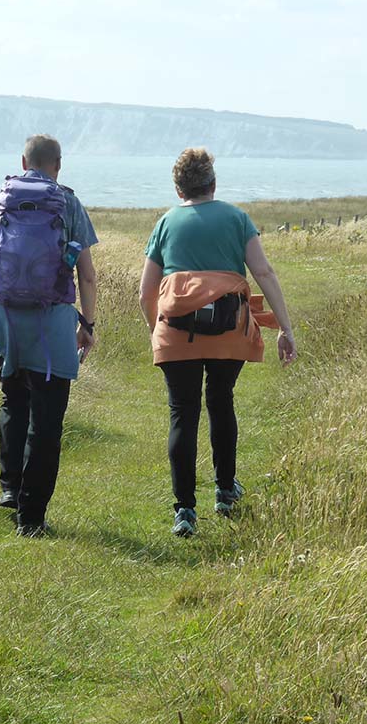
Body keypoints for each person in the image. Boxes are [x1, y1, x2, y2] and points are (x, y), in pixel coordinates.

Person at [139, 147, 296, 538]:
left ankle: (184, 511)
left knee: (183, 412)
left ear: (179, 189)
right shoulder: (237, 218)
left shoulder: (165, 223)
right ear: (213, 183)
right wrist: (285, 328)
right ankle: (225, 491)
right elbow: (263, 271)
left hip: (178, 334)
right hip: (230, 331)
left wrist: (156, 330)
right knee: (221, 400)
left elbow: (146, 293)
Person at [0, 134, 99, 538]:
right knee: (48, 418)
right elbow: (87, 274)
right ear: (58, 164)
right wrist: (87, 325)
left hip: (4, 318)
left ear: (23, 162)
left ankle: (9, 488)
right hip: (52, 322)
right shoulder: (68, 202)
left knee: (13, 398)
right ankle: (32, 517)